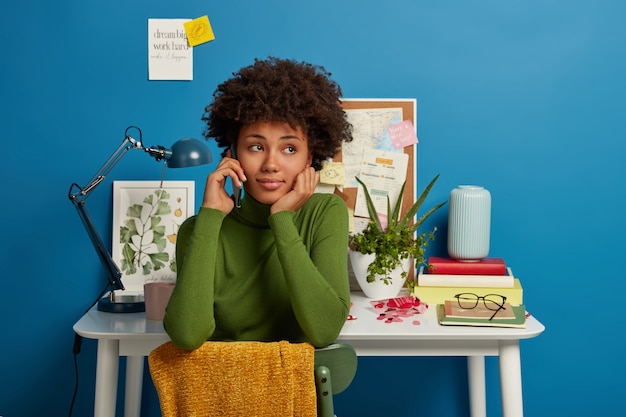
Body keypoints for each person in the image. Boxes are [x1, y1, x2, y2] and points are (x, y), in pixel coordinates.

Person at [164, 57, 353, 350]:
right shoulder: (200, 229)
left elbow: (324, 330)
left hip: (295, 393)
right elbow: (187, 336)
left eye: (289, 148)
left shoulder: (325, 213)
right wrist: (211, 218)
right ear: (232, 154)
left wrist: (281, 219)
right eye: (256, 147)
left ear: (309, 157)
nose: (271, 164)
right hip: (219, 392)